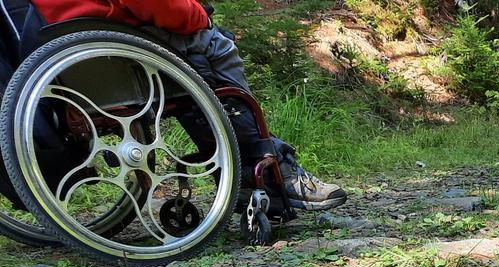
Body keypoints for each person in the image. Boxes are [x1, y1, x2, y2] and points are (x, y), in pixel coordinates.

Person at [17, 0, 347, 210]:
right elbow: (163, 8)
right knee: (214, 43)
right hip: (124, 52)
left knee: (192, 63)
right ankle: (269, 168)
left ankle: (246, 168)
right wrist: (199, 13)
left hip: (76, 61)